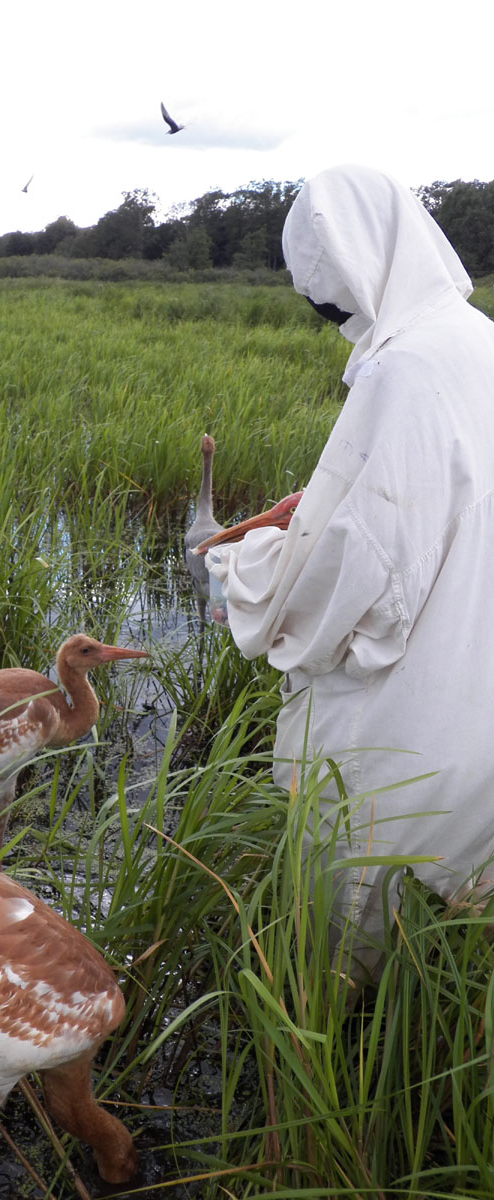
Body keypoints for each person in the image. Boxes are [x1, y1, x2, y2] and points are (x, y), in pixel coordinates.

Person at [207, 163, 494, 981]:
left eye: (330, 298)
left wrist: (246, 573)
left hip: (407, 712)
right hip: (477, 686)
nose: (334, 318)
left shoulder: (405, 369)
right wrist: (326, 505)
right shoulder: (478, 339)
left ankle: (327, 1029)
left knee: (348, 928)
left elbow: (361, 580)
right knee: (447, 943)